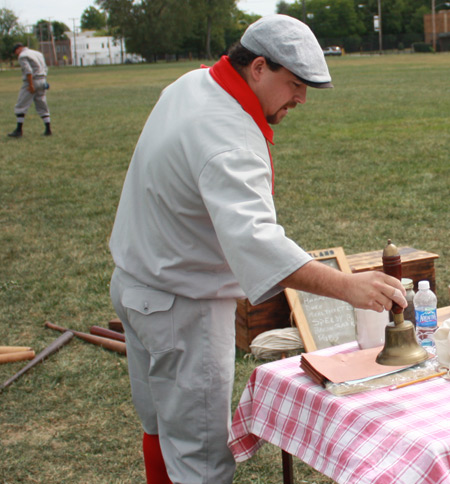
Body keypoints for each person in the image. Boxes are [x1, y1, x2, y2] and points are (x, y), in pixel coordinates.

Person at [109, 14, 407, 484]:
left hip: (135, 285)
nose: (300, 99)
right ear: (259, 67)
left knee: (162, 429)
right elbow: (257, 241)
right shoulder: (230, 137)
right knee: (200, 458)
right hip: (183, 307)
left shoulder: (193, 84)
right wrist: (347, 286)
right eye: (294, 84)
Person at [8, 43, 52, 138]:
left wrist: (31, 85)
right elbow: (45, 68)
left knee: (21, 105)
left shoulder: (22, 55)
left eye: (16, 52)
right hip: (42, 80)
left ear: (19, 49)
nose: (16, 54)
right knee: (42, 104)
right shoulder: (38, 53)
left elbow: (28, 71)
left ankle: (19, 130)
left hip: (32, 81)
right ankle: (48, 129)